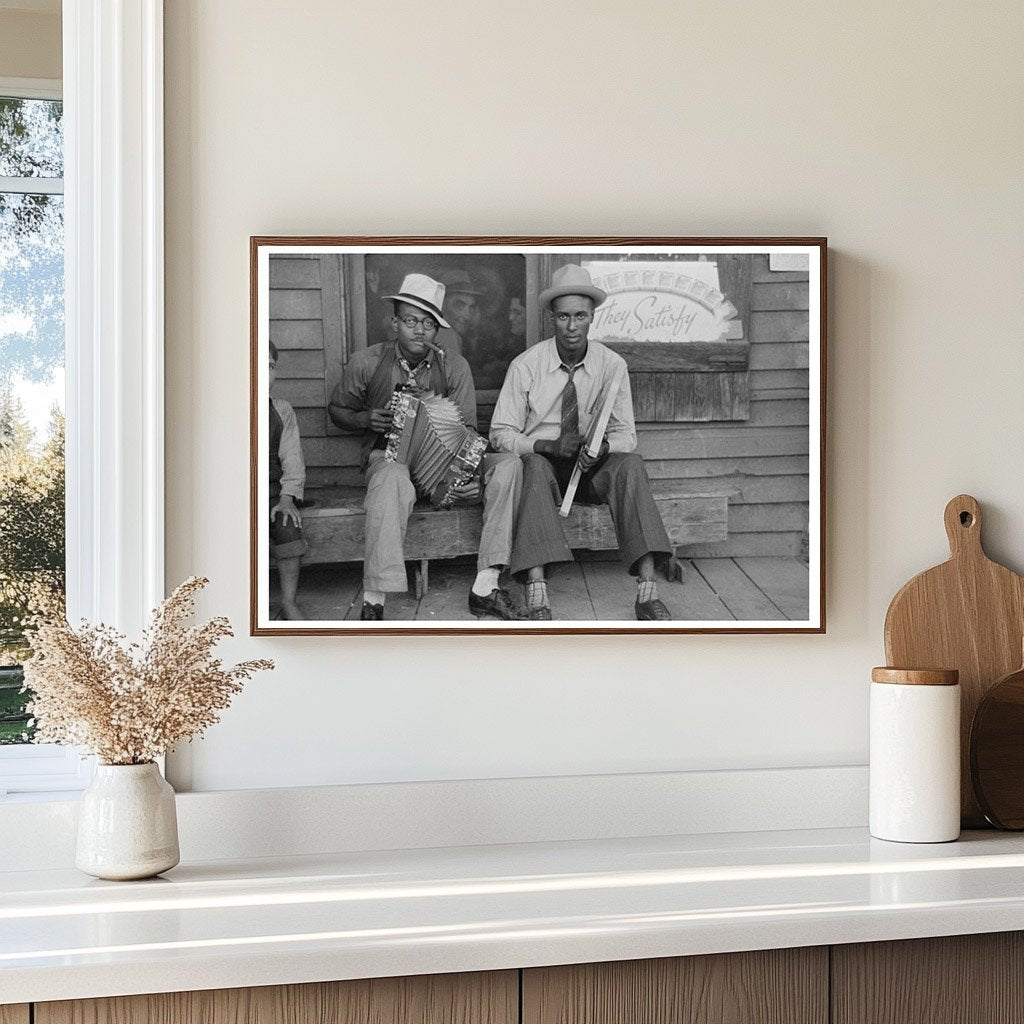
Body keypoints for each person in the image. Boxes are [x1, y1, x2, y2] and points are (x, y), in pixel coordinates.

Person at [328, 273, 522, 621]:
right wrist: (363, 420)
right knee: (391, 477)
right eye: (411, 321)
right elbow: (337, 410)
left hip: (442, 470)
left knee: (508, 465)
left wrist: (461, 478)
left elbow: (467, 432)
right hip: (390, 459)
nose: (419, 331)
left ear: (437, 330)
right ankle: (374, 599)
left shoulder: (455, 367)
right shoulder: (367, 361)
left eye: (428, 324)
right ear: (395, 323)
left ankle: (486, 584)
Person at [490, 264, 674, 621]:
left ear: (592, 316)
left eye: (580, 316)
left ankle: (647, 590)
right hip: (543, 471)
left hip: (589, 469)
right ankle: (537, 589)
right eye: (563, 317)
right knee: (533, 465)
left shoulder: (612, 365)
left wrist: (603, 448)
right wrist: (544, 446)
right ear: (551, 318)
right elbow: (500, 433)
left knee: (631, 465)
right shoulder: (525, 366)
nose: (571, 326)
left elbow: (627, 435)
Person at [268, 342, 308, 620]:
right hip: (228, 495)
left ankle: (289, 602)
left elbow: (292, 458)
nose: (265, 373)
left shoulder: (280, 410)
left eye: (270, 367)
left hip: (271, 494)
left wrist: (286, 497)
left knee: (287, 527)